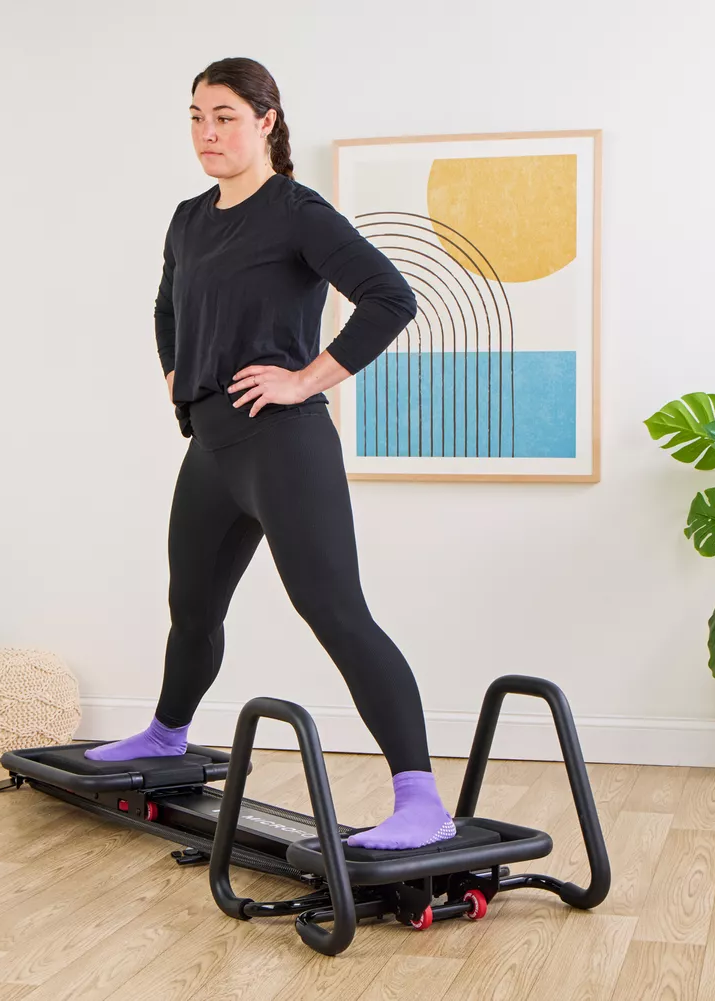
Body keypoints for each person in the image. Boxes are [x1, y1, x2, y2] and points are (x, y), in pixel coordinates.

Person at [85, 57, 455, 852]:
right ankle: (165, 734)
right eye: (195, 117)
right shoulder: (188, 218)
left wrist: (304, 379)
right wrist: (178, 375)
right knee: (193, 609)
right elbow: (165, 306)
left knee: (336, 611)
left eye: (223, 116)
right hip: (213, 448)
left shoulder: (296, 211)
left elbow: (393, 297)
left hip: (284, 445)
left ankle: (421, 799)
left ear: (266, 122)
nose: (207, 133)